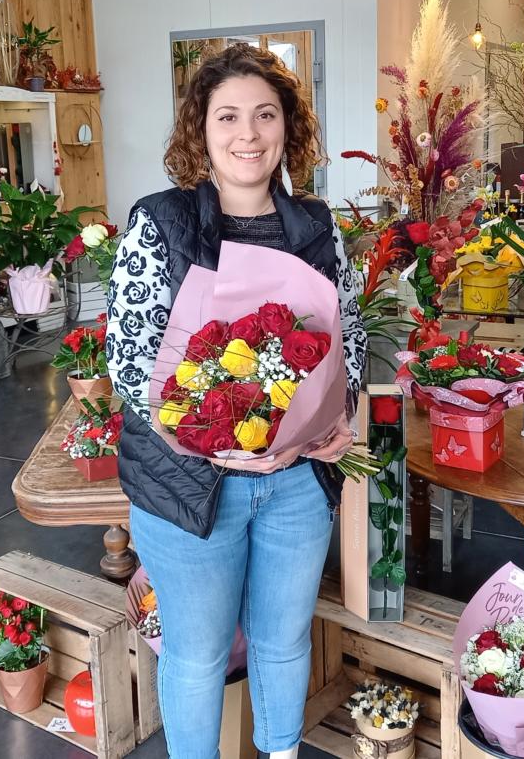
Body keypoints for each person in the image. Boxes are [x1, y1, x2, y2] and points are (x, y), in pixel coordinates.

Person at [106, 44, 366, 759]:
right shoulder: (159, 223)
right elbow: (130, 362)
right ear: (201, 130)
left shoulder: (316, 225)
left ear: (288, 127)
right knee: (196, 653)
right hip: (188, 486)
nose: (247, 134)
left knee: (283, 642)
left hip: (295, 484)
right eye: (228, 116)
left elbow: (352, 333)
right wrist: (210, 440)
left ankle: (281, 751)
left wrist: (337, 415)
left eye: (264, 114)